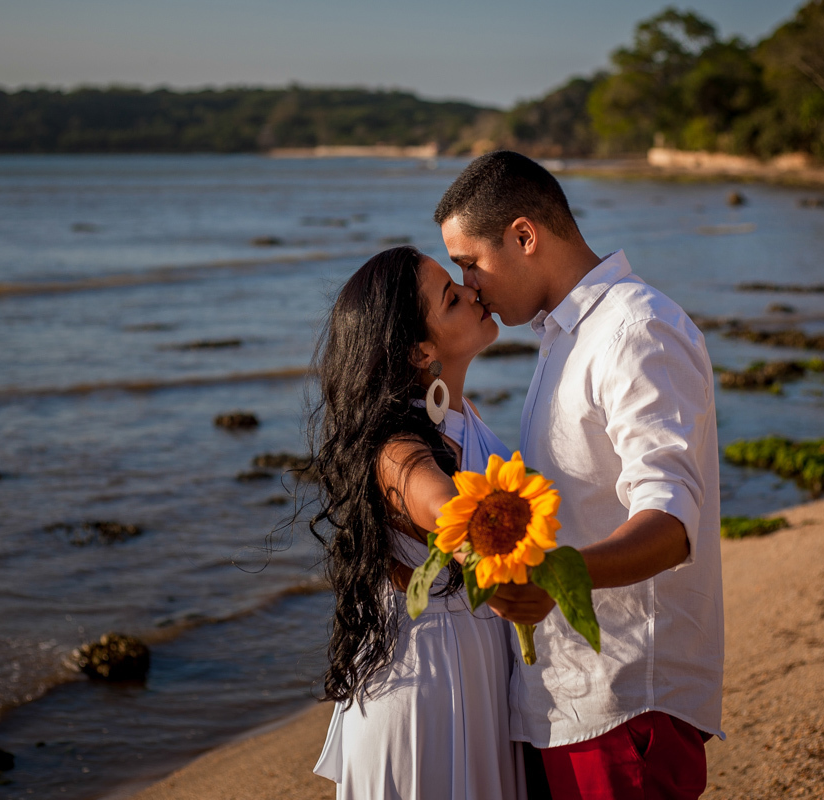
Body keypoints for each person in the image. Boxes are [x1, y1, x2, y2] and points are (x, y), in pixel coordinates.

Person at [434, 151, 726, 800]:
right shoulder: (567, 333)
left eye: (469, 263)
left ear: (524, 236)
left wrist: (553, 578)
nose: (470, 285)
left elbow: (674, 523)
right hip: (572, 700)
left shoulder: (635, 328)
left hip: (623, 700)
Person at [308, 245, 528, 800]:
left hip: (470, 668)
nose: (472, 291)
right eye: (452, 298)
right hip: (427, 682)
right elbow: (446, 510)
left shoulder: (460, 415)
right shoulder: (395, 449)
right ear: (417, 350)